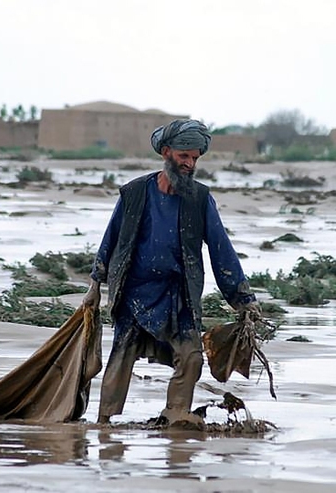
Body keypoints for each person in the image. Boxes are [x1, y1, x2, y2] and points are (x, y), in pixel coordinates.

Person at [82, 119, 260, 426]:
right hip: (134, 293)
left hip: (179, 295)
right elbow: (110, 239)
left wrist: (242, 298)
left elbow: (222, 251)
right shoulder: (135, 193)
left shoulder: (200, 199)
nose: (190, 163)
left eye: (194, 158)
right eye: (184, 156)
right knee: (120, 358)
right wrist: (95, 284)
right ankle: (104, 424)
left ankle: (175, 415)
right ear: (166, 153)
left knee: (191, 358)